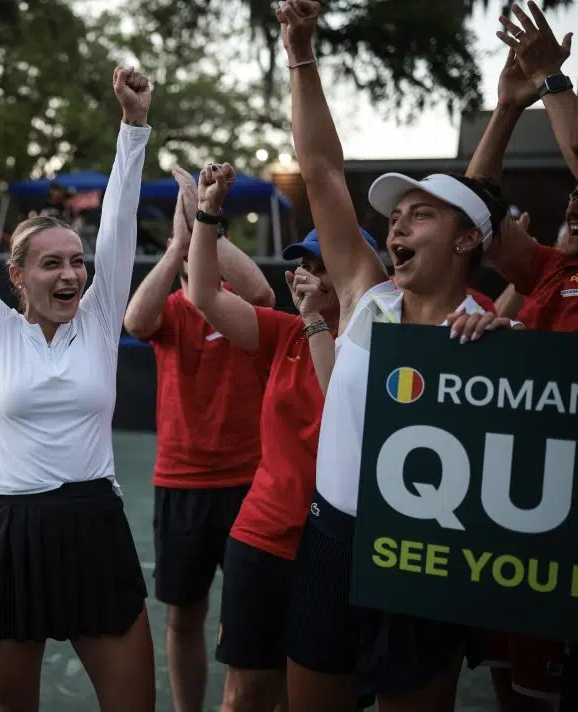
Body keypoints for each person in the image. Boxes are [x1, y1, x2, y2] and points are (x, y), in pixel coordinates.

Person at [276, 2, 523, 712]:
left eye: (420, 215)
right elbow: (321, 169)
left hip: (426, 554)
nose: (397, 224)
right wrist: (300, 50)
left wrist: (501, 376)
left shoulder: (490, 338)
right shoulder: (364, 295)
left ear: (467, 241)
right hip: (333, 537)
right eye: (397, 214)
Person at [0, 66, 156, 712]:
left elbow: (118, 221)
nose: (70, 273)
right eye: (51, 263)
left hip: (95, 528)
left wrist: (134, 126)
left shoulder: (101, 319)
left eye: (76, 262)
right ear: (17, 276)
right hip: (13, 533)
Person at [186, 161, 379, 712]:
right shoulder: (284, 333)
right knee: (245, 696)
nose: (305, 275)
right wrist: (208, 213)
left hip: (343, 547)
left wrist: (320, 320)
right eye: (302, 265)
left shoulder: (386, 343)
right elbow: (203, 294)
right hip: (264, 538)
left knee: (321, 699)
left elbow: (340, 385)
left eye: (322, 265)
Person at [123, 166, 274, 712]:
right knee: (182, 614)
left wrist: (204, 219)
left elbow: (261, 288)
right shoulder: (169, 313)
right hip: (182, 482)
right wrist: (177, 247)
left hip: (247, 483)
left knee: (243, 616)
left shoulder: (237, 305)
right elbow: (135, 321)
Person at [461, 6, 578, 708]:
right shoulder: (551, 274)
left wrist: (554, 79)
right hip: (528, 527)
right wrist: (507, 110)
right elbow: (469, 216)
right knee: (519, 688)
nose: (572, 204)